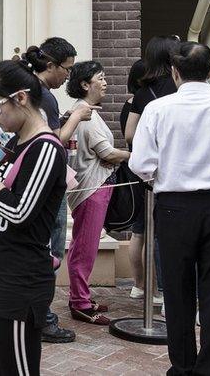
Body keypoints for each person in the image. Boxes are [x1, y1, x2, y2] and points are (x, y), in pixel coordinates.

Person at [129, 42, 210, 376]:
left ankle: (183, 367)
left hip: (174, 207)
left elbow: (141, 163)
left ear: (175, 72)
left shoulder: (159, 109)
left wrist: (162, 173)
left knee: (177, 293)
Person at [0, 58, 69, 376]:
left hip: (19, 281)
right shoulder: (16, 143)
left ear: (20, 98)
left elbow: (18, 211)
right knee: (1, 366)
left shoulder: (45, 149)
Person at [23, 38, 93, 344]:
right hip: (49, 186)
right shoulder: (44, 96)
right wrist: (77, 116)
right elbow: (51, 142)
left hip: (35, 184)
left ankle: (34, 315)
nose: (69, 76)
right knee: (49, 254)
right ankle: (42, 319)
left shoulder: (31, 91)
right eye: (66, 68)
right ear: (50, 65)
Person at [64, 61, 131, 325]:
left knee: (86, 246)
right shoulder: (84, 114)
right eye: (100, 78)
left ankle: (81, 296)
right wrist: (132, 156)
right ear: (85, 84)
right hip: (91, 189)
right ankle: (79, 302)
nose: (105, 83)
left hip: (92, 187)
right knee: (85, 247)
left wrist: (112, 159)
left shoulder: (87, 111)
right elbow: (106, 153)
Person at [119, 59, 163, 304]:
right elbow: (131, 137)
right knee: (148, 232)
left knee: (139, 231)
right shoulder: (142, 102)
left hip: (135, 173)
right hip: (145, 173)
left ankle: (139, 285)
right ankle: (152, 289)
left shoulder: (129, 103)